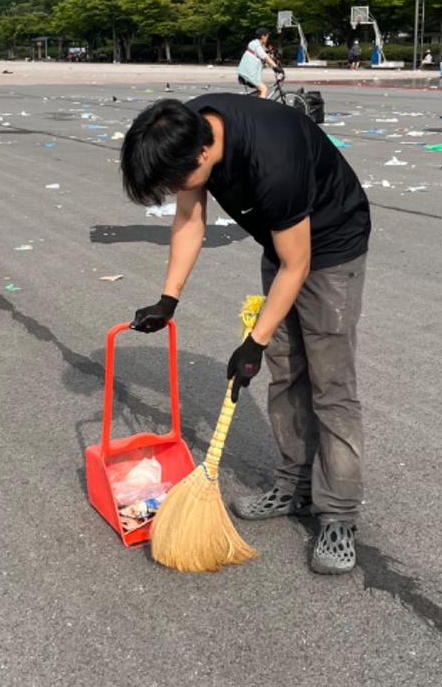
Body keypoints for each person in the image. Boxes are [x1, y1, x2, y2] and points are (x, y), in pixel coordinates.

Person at [121, 95, 371, 576]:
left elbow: (299, 265)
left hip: (332, 244)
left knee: (331, 384)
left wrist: (253, 340)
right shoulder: (187, 130)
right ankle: (294, 484)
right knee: (286, 371)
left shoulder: (271, 161)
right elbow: (190, 220)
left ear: (202, 155)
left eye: (175, 182)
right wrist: (168, 299)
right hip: (281, 241)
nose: (176, 190)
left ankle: (338, 514)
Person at [236, 27, 277, 98]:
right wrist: (276, 67)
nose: (267, 38)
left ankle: (249, 102)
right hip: (247, 75)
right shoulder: (255, 45)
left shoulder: (257, 45)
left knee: (260, 91)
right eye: (267, 36)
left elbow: (265, 59)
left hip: (247, 74)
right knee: (264, 89)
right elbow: (266, 57)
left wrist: (273, 65)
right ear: (262, 36)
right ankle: (260, 108)